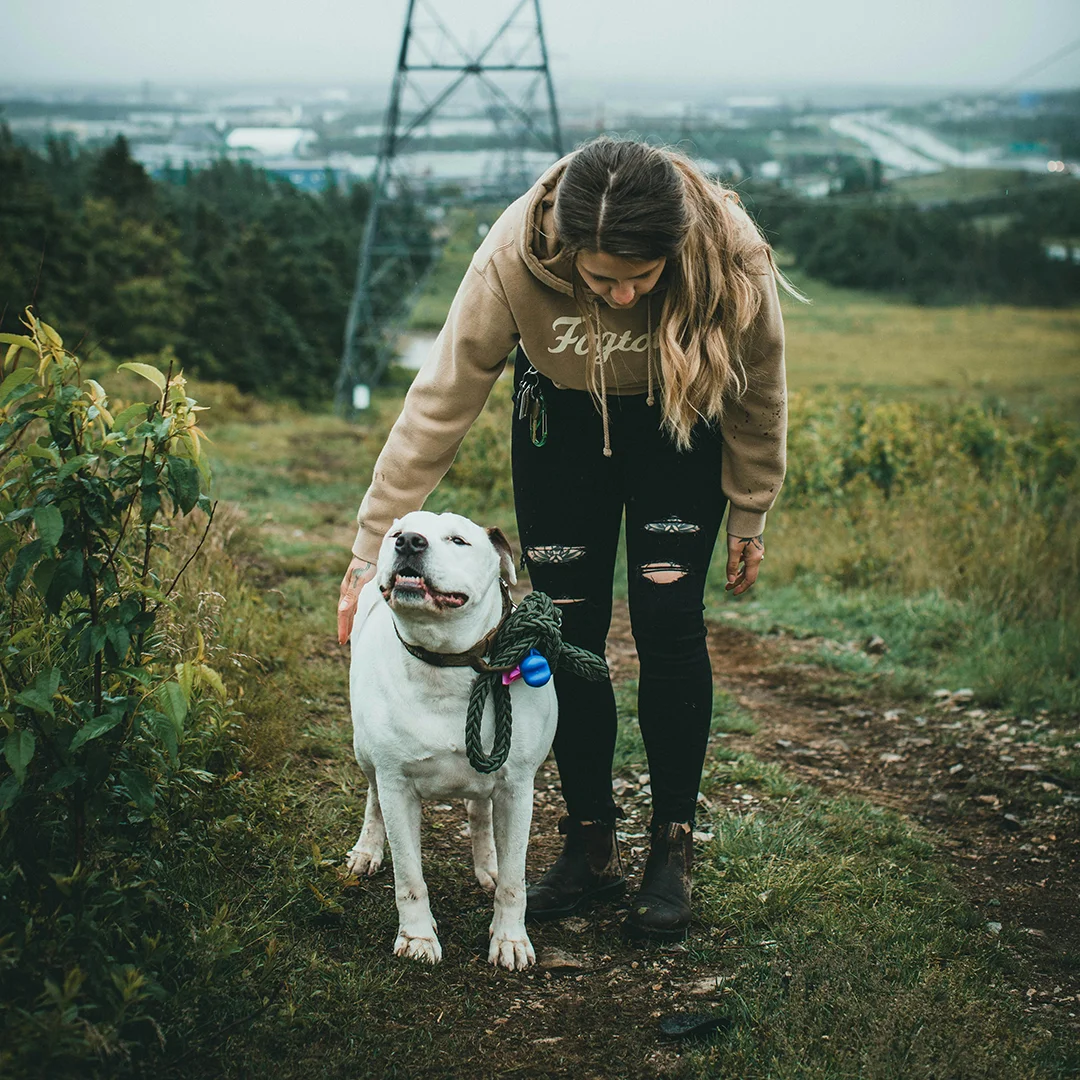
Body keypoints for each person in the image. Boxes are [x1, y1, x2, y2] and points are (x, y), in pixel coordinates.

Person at [337, 136, 790, 942]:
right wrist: (371, 542)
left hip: (681, 421)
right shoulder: (511, 257)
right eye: (600, 278)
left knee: (668, 624)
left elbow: (759, 388)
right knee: (567, 629)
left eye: (641, 281)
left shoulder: (731, 255)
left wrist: (750, 505)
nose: (620, 297)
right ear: (566, 248)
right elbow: (441, 400)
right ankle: (589, 842)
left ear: (675, 254)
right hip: (561, 427)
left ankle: (671, 850)